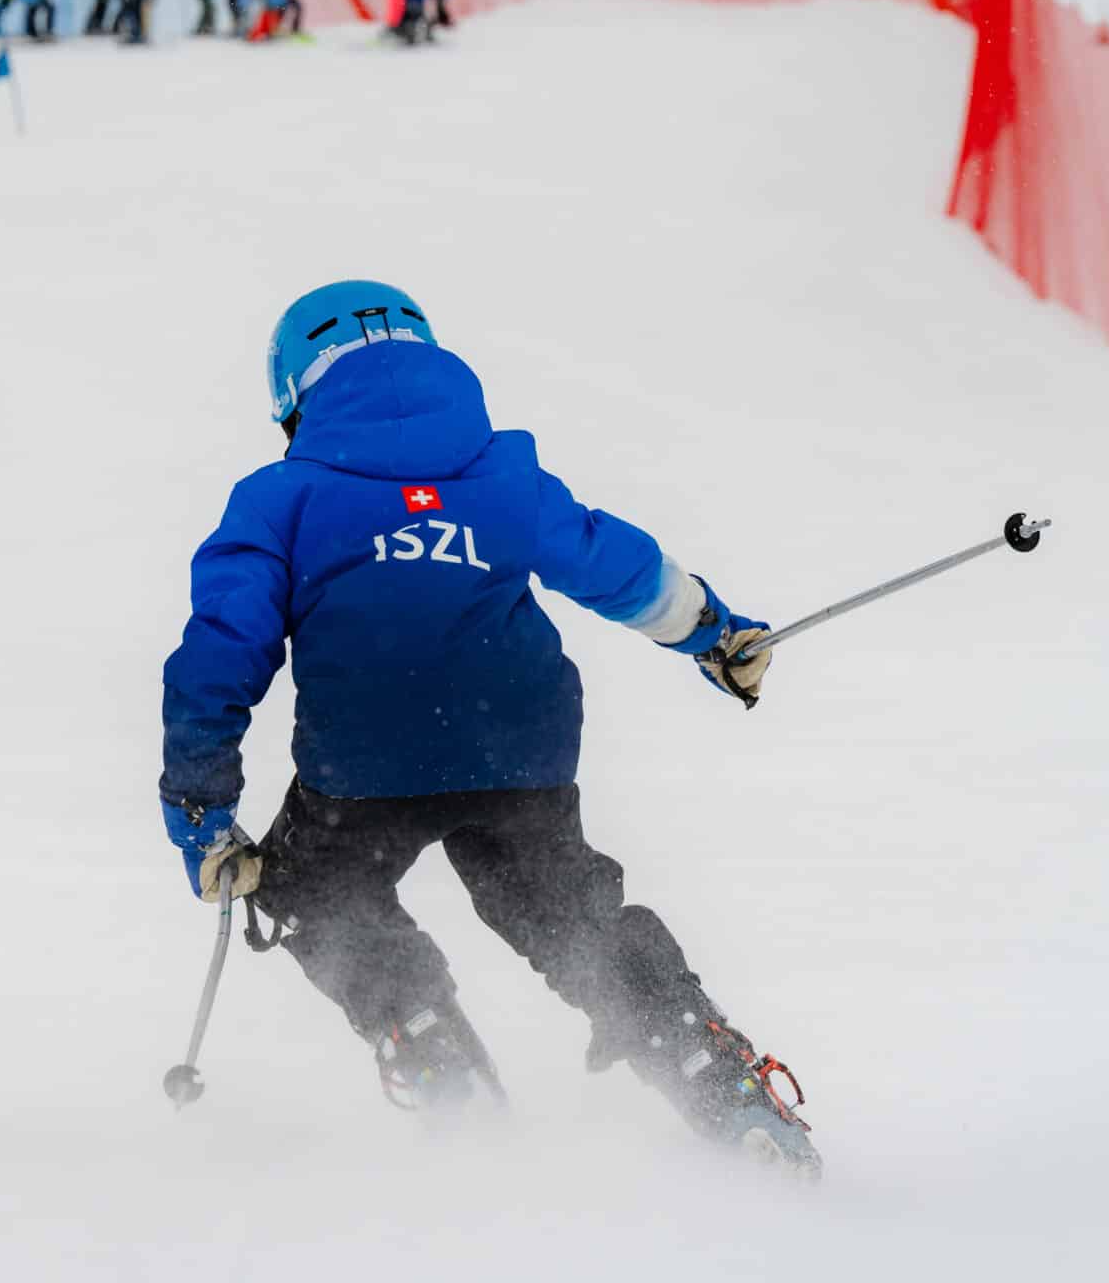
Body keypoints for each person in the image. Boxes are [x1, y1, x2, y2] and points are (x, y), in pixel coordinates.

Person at [157, 281, 823, 1176]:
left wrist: (203, 813)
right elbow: (610, 562)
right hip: (517, 744)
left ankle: (434, 1053)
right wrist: (715, 633)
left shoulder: (282, 498)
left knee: (317, 891)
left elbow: (218, 657)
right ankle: (705, 1063)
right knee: (564, 915)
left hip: (365, 766)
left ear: (294, 399)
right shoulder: (503, 476)